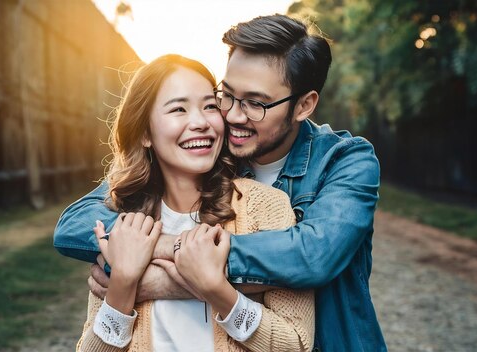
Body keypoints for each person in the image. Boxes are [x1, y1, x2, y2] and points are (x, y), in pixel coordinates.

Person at [55, 14, 386, 351]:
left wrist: (158, 271)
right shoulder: (208, 153)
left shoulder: (346, 161)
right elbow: (76, 224)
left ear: (304, 105)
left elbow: (312, 257)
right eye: (225, 95)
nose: (233, 115)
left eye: (255, 103)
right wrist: (138, 258)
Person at [62, 54, 315, 351]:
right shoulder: (126, 223)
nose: (200, 122)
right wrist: (122, 286)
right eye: (178, 109)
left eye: (210, 106)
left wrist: (217, 291)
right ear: (145, 133)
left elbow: (296, 344)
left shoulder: (264, 206)